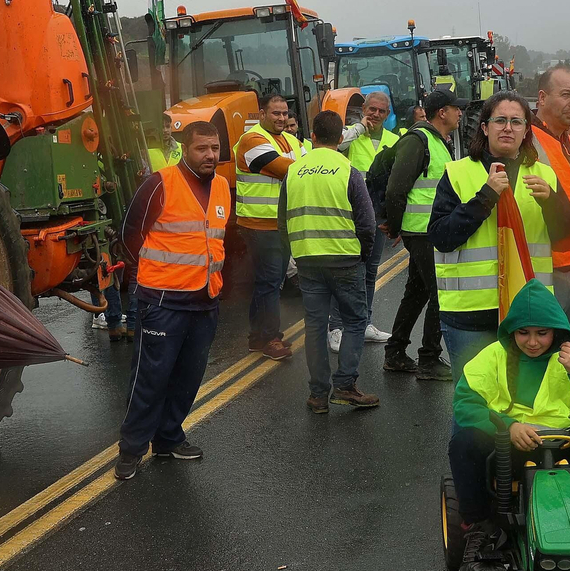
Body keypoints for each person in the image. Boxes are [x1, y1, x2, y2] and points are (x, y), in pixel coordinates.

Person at [446, 279, 570, 555]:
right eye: (523, 333)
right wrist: (508, 427)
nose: (532, 342)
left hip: (565, 444)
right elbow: (465, 404)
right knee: (463, 443)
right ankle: (478, 525)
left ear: (555, 331)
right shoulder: (493, 355)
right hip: (509, 447)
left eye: (542, 333)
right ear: (512, 332)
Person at [429, 91, 570, 378]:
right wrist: (483, 199)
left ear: (527, 130)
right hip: (470, 315)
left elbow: (568, 239)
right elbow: (441, 237)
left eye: (516, 121)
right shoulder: (458, 173)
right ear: (485, 128)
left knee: (521, 408)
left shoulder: (544, 176)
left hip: (527, 317)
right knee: (474, 409)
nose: (508, 128)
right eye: (500, 120)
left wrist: (552, 203)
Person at [112, 121, 228, 479]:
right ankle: (131, 449)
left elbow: (215, 239)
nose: (210, 155)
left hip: (204, 300)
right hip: (162, 301)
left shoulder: (223, 186)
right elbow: (131, 233)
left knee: (188, 377)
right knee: (150, 378)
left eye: (215, 149)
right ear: (185, 149)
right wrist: (147, 279)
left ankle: (168, 438)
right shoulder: (160, 184)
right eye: (201, 149)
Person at [280, 111, 381, 414]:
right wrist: (362, 254)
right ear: (340, 139)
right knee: (354, 321)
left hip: (309, 260)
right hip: (345, 259)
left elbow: (282, 223)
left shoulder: (293, 171)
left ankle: (317, 395)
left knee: (314, 327)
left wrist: (298, 253)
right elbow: (367, 222)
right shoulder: (347, 169)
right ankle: (345, 386)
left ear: (312, 136)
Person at [383, 90, 462, 380]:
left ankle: (395, 352)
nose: (460, 113)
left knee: (416, 293)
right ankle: (429, 358)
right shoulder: (419, 140)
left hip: (428, 230)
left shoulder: (438, 142)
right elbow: (396, 188)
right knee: (440, 294)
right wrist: (394, 225)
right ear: (442, 112)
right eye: (456, 108)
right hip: (422, 232)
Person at [530, 65, 570, 339]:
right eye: (566, 94)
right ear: (542, 98)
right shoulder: (527, 143)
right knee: (541, 356)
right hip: (545, 271)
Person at [329, 91, 397, 349]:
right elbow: (335, 145)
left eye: (381, 111)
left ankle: (365, 322)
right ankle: (336, 327)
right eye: (372, 109)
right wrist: (358, 127)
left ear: (388, 113)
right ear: (364, 109)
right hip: (351, 213)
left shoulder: (394, 139)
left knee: (370, 271)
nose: (376, 115)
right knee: (347, 270)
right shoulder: (350, 134)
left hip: (378, 213)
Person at [235, 92, 300, 360]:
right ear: (262, 115)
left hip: (277, 223)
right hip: (259, 224)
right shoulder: (253, 140)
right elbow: (288, 168)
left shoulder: (287, 140)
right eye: (276, 113)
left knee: (268, 282)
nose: (282, 118)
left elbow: (303, 163)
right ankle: (270, 338)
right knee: (271, 282)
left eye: (285, 113)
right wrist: (301, 164)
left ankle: (257, 337)